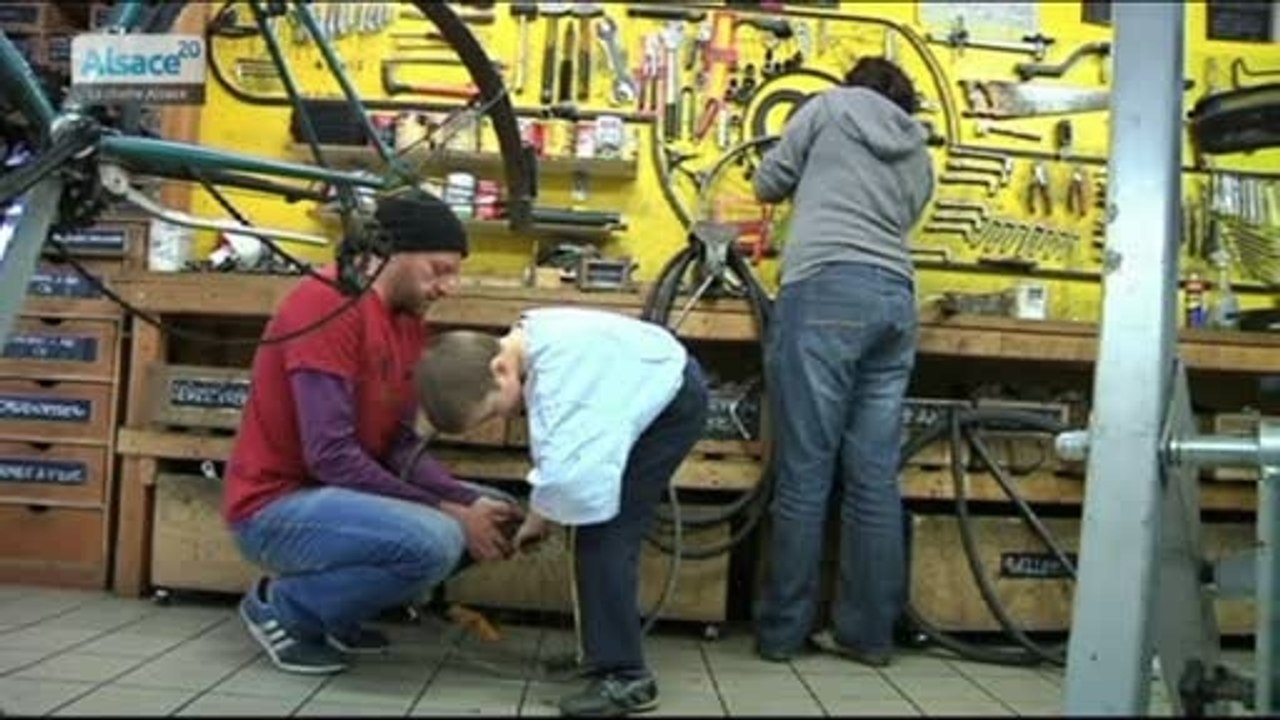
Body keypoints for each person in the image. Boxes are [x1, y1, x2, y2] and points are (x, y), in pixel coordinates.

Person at [222, 187, 523, 676]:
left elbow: (399, 446)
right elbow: (331, 456)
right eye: (439, 269)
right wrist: (450, 511)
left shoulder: (406, 323)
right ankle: (284, 608)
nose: (450, 286)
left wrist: (463, 502)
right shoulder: (327, 305)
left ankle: (335, 613)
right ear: (388, 255)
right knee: (439, 539)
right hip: (274, 508)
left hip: (339, 500)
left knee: (495, 514)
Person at [413, 308, 710, 717]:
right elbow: (558, 455)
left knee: (605, 536)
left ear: (499, 369)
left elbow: (573, 472)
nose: (502, 416)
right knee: (592, 529)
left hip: (670, 404)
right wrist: (542, 515)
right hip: (652, 381)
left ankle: (627, 677)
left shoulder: (560, 382)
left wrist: (541, 516)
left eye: (493, 410)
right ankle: (599, 652)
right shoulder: (531, 349)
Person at [751, 56, 936, 667]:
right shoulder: (920, 151)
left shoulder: (826, 108)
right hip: (895, 301)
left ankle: (782, 633)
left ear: (852, 83)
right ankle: (867, 635)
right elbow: (902, 217)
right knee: (874, 477)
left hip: (826, 288)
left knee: (806, 471)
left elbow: (767, 181)